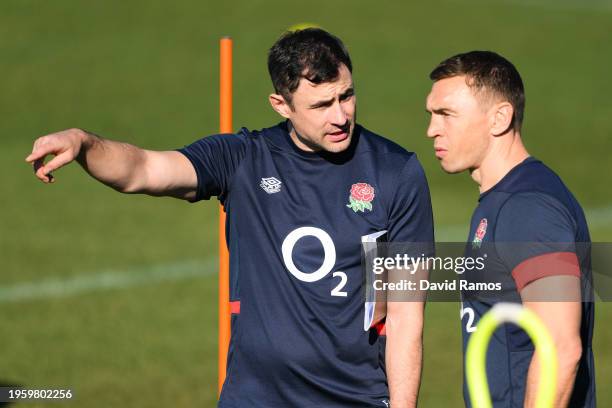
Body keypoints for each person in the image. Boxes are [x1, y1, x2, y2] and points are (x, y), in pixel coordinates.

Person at [27, 28, 434, 407]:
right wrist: (83, 144)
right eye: (322, 104)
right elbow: (142, 170)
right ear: (281, 105)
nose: (341, 116)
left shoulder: (396, 173)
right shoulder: (242, 159)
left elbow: (406, 314)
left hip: (353, 398)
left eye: (346, 96)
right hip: (254, 397)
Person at [425, 51, 595, 407]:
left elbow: (561, 348)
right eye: (431, 114)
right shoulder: (500, 202)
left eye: (446, 115)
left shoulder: (528, 209)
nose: (432, 130)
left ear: (499, 118)